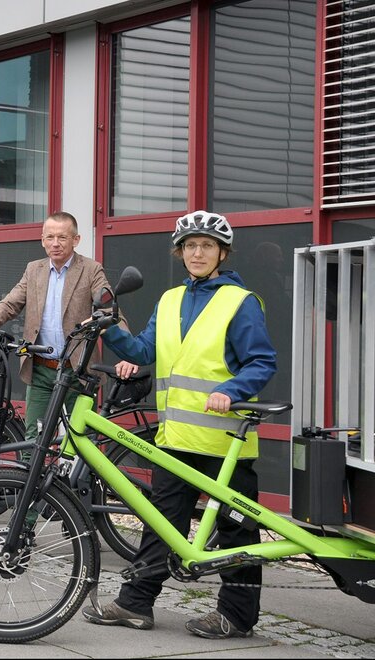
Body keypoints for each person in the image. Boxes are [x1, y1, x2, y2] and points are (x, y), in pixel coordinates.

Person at [83, 210, 276, 640]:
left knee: (237, 531)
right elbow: (143, 350)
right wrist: (111, 328)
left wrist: (232, 389)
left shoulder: (240, 302)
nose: (197, 253)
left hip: (224, 440)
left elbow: (262, 361)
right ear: (180, 252)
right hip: (175, 438)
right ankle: (135, 603)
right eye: (190, 246)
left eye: (207, 246)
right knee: (161, 523)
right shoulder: (170, 300)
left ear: (222, 253)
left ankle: (236, 617)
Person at [0, 211, 128, 440]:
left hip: (77, 370)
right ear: (42, 240)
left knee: (82, 441)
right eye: (50, 237)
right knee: (33, 441)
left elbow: (110, 311)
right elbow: (10, 304)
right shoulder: (34, 270)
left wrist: (128, 352)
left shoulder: (91, 269)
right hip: (41, 369)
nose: (55, 243)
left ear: (76, 240)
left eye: (62, 237)